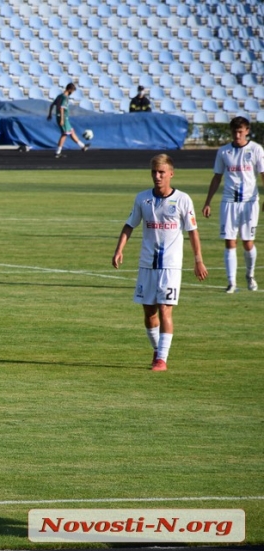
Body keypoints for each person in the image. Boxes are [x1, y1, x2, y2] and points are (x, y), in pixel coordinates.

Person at [112, 154, 208, 372]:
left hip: (170, 266)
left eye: (162, 172)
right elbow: (130, 225)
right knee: (149, 312)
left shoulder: (183, 200)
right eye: (154, 172)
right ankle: (158, 351)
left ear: (171, 174)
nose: (157, 176)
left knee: (165, 309)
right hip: (147, 263)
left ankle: (162, 360)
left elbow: (192, 231)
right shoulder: (142, 199)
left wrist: (198, 260)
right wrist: (119, 250)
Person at [202, 115, 264, 293]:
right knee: (230, 242)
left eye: (240, 131)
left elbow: (262, 174)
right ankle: (231, 283)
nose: (237, 135)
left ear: (247, 131)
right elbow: (217, 177)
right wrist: (208, 202)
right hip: (229, 201)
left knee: (248, 242)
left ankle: (250, 276)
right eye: (234, 132)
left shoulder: (256, 150)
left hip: (249, 202)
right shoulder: (224, 152)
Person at [47, 83, 89, 158]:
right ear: (69, 89)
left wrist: (50, 114)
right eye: (72, 91)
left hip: (62, 117)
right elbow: (61, 108)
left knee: (71, 131)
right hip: (63, 118)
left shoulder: (59, 96)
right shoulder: (65, 98)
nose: (72, 93)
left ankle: (83, 146)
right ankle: (57, 152)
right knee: (65, 134)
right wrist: (62, 119)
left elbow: (52, 105)